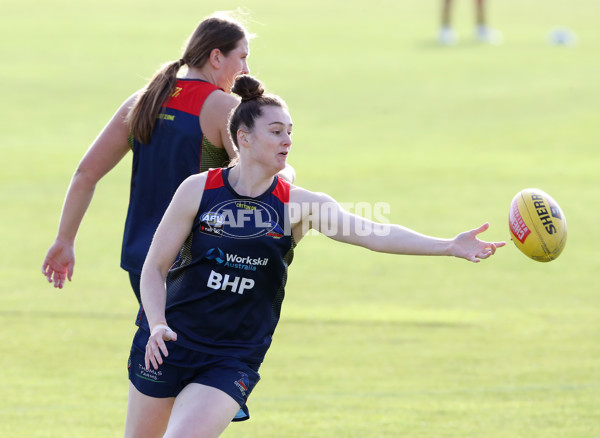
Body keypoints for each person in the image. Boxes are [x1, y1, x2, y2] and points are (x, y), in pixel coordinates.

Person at [124, 75, 506, 437]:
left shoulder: (300, 206)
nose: (287, 140)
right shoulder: (198, 190)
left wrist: (448, 245)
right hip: (168, 342)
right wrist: (157, 324)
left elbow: (374, 234)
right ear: (243, 137)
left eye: (290, 132)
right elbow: (155, 268)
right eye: (276, 132)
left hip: (231, 356)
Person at [41, 12, 294, 301]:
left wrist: (65, 240)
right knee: (187, 346)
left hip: (142, 263)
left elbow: (86, 174)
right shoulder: (223, 107)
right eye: (242, 57)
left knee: (157, 341)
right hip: (198, 264)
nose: (246, 68)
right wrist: (291, 177)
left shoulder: (143, 100)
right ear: (216, 57)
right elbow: (257, 180)